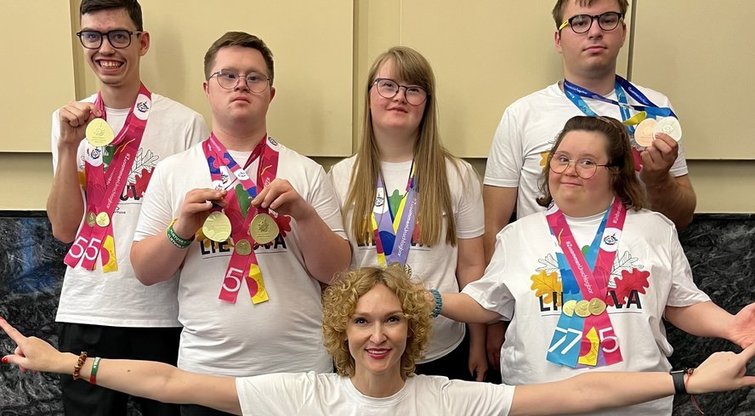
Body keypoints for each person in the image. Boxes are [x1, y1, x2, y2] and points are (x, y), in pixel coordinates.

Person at [2, 266, 754, 416]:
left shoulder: (448, 398)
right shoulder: (303, 394)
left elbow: (580, 391)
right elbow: (171, 382)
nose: (378, 334)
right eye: (362, 321)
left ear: (413, 329)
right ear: (342, 331)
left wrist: (688, 381)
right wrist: (68, 361)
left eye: (392, 319)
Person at [437, 115, 755, 415]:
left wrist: (730, 325)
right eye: (561, 159)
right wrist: (432, 301)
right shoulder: (519, 235)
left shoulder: (655, 229)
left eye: (587, 162)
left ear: (616, 172)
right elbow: (485, 303)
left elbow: (681, 303)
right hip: (539, 401)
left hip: (638, 403)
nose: (570, 170)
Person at [128, 31, 351, 416]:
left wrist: (304, 215)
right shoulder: (172, 172)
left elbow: (338, 273)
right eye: (228, 76)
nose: (241, 85)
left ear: (271, 93)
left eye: (254, 77)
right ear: (207, 88)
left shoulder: (306, 172)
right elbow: (146, 271)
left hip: (298, 373)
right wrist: (181, 229)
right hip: (206, 375)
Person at [482, 0, 697, 375]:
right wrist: (494, 320)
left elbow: (681, 216)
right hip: (544, 310)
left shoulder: (655, 111)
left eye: (607, 19)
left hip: (628, 313)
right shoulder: (522, 115)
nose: (594, 31)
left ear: (623, 31)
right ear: (558, 38)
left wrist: (658, 178)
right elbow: (494, 223)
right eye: (579, 22)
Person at [45, 0, 208, 414]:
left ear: (142, 42)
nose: (105, 48)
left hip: (160, 313)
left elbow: (192, 227)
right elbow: (64, 230)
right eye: (92, 36)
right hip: (87, 308)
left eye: (118, 36)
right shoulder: (66, 120)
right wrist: (68, 147)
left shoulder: (185, 124)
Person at [328, 46, 487, 381]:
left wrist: (478, 341)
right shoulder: (340, 177)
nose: (399, 97)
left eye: (413, 89)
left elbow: (472, 266)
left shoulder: (457, 175)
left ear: (426, 103)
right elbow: (332, 272)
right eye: (388, 86)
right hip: (367, 349)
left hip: (441, 347)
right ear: (369, 95)